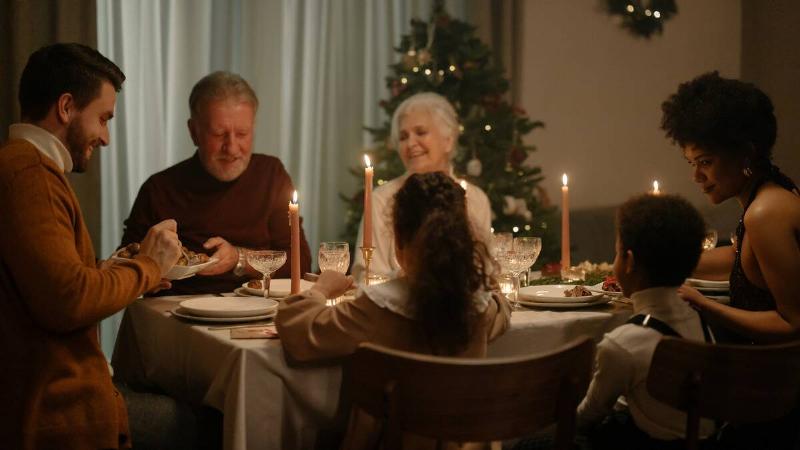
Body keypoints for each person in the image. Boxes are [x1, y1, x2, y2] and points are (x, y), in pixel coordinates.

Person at [0, 43, 181, 449]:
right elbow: (68, 301)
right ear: (66, 107)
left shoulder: (25, 166)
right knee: (209, 423)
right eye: (103, 118)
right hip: (59, 413)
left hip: (55, 398)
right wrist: (148, 266)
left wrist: (117, 269)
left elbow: (49, 282)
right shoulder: (30, 174)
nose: (105, 137)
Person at [277, 172, 510, 449]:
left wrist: (321, 289)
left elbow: (297, 329)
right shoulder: (480, 309)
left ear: (398, 241)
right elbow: (503, 309)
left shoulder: (379, 308)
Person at [661, 70, 800, 449]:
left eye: (705, 161)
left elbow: (794, 324)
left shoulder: (766, 213)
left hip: (778, 408)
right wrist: (659, 264)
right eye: (691, 162)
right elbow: (740, 261)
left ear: (746, 152)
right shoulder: (768, 192)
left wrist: (705, 305)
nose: (697, 177)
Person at [120, 71, 311, 295]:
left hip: (257, 307)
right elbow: (126, 264)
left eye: (242, 133)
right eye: (218, 134)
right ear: (194, 132)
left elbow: (301, 263)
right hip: (179, 313)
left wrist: (238, 259)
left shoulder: (271, 174)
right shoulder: (160, 189)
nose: (231, 148)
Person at [575, 194, 713, 449]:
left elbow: (586, 417)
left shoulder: (622, 344)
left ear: (629, 261)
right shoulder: (699, 319)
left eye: (616, 253)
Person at [352, 92, 492, 282]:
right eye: (403, 136)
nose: (410, 143)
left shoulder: (475, 199)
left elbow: (482, 271)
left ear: (448, 140)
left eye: (421, 132)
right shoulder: (381, 199)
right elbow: (368, 273)